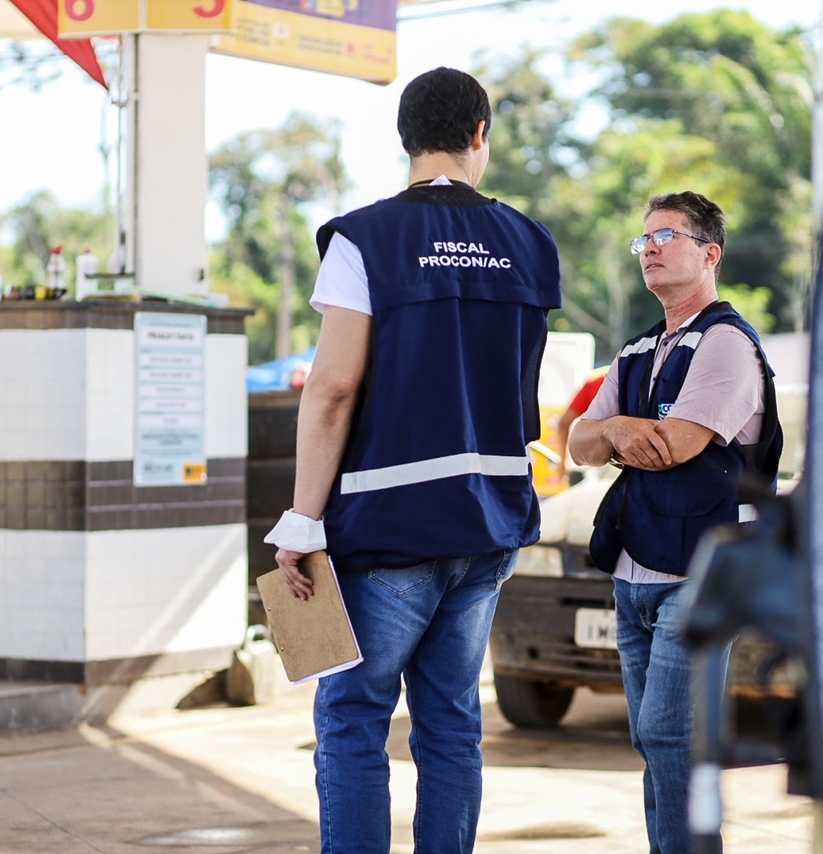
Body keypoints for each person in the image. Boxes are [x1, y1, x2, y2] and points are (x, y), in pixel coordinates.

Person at [263, 67, 561, 854]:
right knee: (453, 723)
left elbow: (331, 390)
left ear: (405, 140)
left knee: (355, 719)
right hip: (488, 526)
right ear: (479, 136)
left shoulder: (364, 239)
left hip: (386, 529)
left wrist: (301, 520)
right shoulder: (530, 244)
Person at [567, 191, 781, 854]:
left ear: (709, 252)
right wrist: (620, 428)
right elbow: (578, 443)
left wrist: (615, 431)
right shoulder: (635, 348)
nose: (650, 250)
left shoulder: (727, 344)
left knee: (671, 738)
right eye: (644, 241)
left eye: (667, 237)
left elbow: (677, 446)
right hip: (633, 575)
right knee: (652, 741)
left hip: (698, 572)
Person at [551, 364, 609, 484]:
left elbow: (564, 423)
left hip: (595, 463)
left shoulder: (598, 380)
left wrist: (563, 461)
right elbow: (564, 423)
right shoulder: (600, 381)